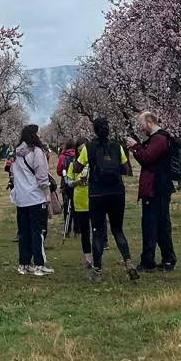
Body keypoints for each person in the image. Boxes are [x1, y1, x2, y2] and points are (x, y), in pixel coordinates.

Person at [78, 117, 139, 282]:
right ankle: (128, 262)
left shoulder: (88, 148)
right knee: (118, 229)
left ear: (94, 130)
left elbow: (77, 167)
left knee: (97, 231)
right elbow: (126, 169)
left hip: (97, 194)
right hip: (117, 192)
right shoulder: (116, 146)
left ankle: (97, 271)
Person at [126, 111, 178, 272]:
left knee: (151, 224)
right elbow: (145, 159)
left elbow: (148, 158)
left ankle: (149, 261)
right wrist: (136, 149)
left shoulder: (160, 139)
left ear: (149, 122)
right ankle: (167, 258)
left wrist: (135, 146)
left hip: (156, 188)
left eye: (142, 125)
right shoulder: (155, 139)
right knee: (161, 224)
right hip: (156, 187)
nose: (141, 129)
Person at [8, 124, 54, 276]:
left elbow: (13, 175)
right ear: (34, 135)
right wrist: (47, 195)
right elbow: (42, 177)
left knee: (24, 232)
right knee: (38, 232)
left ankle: (24, 264)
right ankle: (39, 265)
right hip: (35, 198)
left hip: (21, 199)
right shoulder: (37, 152)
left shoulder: (16, 153)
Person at [63, 140, 94, 270]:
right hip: (80, 201)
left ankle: (97, 258)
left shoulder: (94, 163)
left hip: (94, 199)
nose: (82, 152)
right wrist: (77, 181)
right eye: (80, 150)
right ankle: (87, 259)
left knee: (97, 230)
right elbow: (68, 182)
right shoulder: (74, 165)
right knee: (85, 231)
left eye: (84, 149)